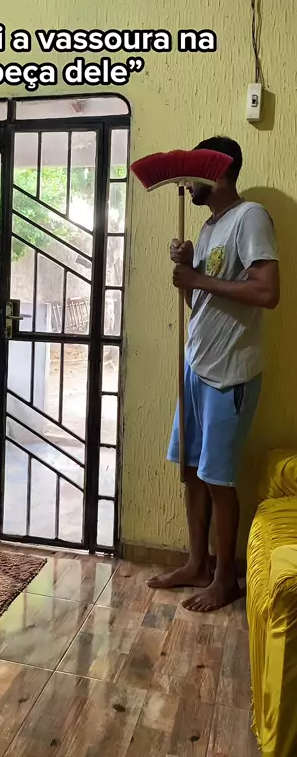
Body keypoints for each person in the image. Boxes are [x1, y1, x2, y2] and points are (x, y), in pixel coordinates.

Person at [148, 136, 280, 612]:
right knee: (191, 471)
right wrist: (188, 272)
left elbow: (267, 293)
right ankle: (197, 564)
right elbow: (200, 302)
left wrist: (199, 277)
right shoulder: (207, 228)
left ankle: (226, 580)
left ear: (218, 172)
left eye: (194, 176)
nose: (188, 185)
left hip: (231, 373)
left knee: (218, 479)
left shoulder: (251, 218)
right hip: (196, 366)